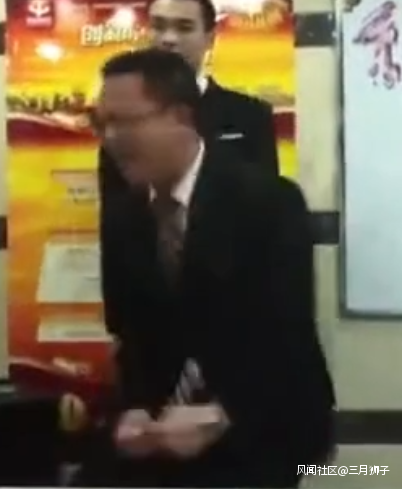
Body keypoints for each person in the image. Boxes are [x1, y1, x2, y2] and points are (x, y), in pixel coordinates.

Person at [76, 48, 335, 488]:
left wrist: (222, 414)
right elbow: (130, 333)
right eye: (102, 124)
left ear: (180, 117)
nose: (111, 139)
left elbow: (285, 340)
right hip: (161, 438)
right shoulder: (124, 216)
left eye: (125, 122)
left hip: (262, 428)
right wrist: (134, 408)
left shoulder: (268, 202)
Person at [98, 0, 279, 212]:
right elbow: (115, 216)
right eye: (158, 26)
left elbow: (267, 207)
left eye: (184, 28)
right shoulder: (121, 121)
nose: (169, 39)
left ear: (210, 38)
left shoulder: (250, 115)